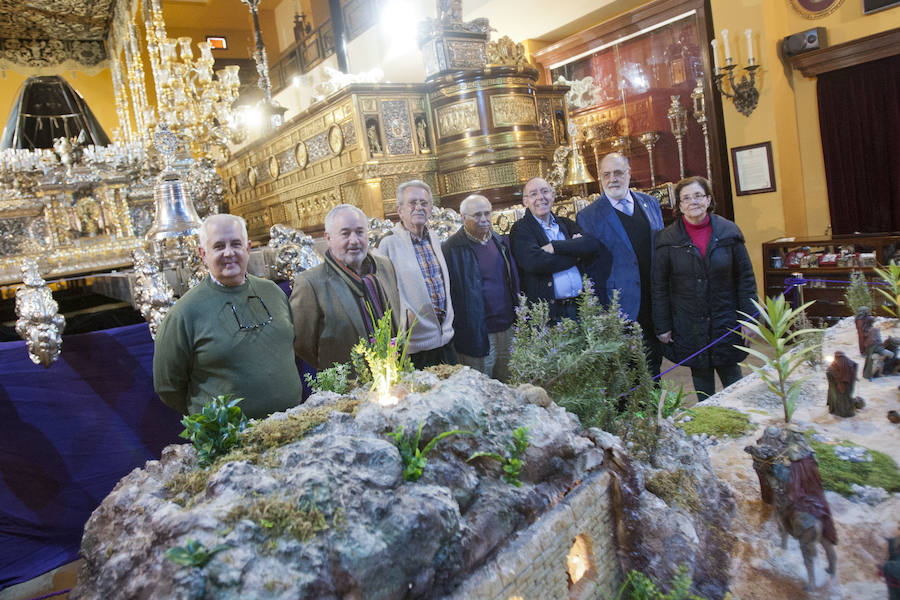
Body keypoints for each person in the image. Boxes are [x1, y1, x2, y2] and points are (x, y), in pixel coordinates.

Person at [153, 214, 302, 419]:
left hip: (291, 425)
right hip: (230, 440)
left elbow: (292, 346)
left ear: (248, 248)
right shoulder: (184, 313)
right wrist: (212, 419)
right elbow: (167, 386)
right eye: (219, 246)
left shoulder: (273, 293)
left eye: (236, 244)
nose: (229, 253)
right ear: (203, 253)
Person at [651, 176, 757, 400]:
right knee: (703, 386)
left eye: (698, 196)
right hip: (689, 323)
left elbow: (745, 279)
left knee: (734, 383)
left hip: (726, 319)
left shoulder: (729, 232)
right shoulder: (666, 239)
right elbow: (659, 287)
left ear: (708, 199)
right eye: (686, 198)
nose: (693, 202)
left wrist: (749, 319)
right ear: (679, 206)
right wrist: (663, 325)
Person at [576, 152, 665, 376]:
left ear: (629, 173)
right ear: (600, 178)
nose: (612, 179)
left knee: (654, 366)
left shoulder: (650, 203)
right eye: (606, 174)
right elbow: (591, 269)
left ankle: (657, 411)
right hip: (620, 305)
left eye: (618, 173)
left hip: (654, 302)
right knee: (628, 373)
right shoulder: (588, 216)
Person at [291, 204, 403, 370]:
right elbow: (302, 344)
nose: (354, 240)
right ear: (328, 238)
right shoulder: (310, 283)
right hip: (349, 387)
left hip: (395, 375)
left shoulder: (385, 267)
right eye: (345, 233)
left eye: (360, 232)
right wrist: (336, 369)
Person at [375, 180, 455, 368]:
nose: (418, 207)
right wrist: (404, 319)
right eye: (412, 203)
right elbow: (383, 292)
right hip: (414, 347)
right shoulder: (388, 243)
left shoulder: (433, 237)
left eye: (424, 203)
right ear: (399, 209)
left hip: (445, 340)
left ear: (430, 208)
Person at [442, 194, 519, 382]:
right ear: (463, 218)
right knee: (482, 389)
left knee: (511, 386)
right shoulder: (451, 249)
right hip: (476, 334)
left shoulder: (499, 241)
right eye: (477, 215)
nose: (484, 219)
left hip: (507, 329)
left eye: (487, 213)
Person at [509, 176, 600, 322]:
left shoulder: (566, 223)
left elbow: (591, 245)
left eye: (545, 191)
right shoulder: (521, 229)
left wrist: (555, 246)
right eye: (533, 194)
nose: (541, 197)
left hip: (582, 308)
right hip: (551, 315)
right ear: (525, 201)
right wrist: (576, 254)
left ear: (552, 195)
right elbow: (536, 262)